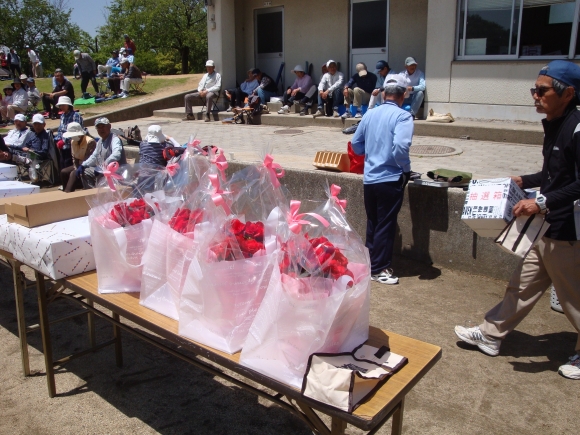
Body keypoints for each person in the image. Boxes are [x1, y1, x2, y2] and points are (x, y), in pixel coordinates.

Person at [454, 60, 580, 380]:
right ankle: (492, 334)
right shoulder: (556, 122)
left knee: (575, 300)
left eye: (542, 90)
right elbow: (555, 174)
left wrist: (541, 201)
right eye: (533, 90)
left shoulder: (577, 128)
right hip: (548, 225)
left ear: (568, 94)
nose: (535, 96)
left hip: (569, 231)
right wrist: (525, 180)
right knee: (521, 286)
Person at [350, 75, 413, 285]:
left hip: (370, 178)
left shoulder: (369, 115)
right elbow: (401, 147)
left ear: (384, 94)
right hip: (391, 176)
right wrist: (406, 168)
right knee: (386, 224)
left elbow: (356, 144)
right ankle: (379, 269)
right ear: (402, 96)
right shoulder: (403, 117)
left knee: (373, 223)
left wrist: (373, 151)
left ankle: (371, 265)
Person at [77, 117, 124, 189]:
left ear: (109, 126)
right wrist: (83, 165)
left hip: (116, 171)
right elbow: (94, 156)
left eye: (103, 126)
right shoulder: (100, 141)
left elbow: (116, 154)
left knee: (101, 176)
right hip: (103, 170)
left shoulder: (115, 139)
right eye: (98, 127)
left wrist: (105, 166)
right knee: (85, 171)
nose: (101, 129)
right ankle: (92, 193)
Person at [60, 122, 96, 192]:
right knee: (63, 172)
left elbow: (89, 159)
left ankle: (68, 192)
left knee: (73, 173)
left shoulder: (90, 142)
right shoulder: (73, 141)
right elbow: (74, 157)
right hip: (78, 164)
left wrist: (78, 168)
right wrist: (76, 167)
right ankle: (65, 190)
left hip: (88, 165)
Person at [54, 96, 83, 169]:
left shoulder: (75, 116)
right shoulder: (62, 116)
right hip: (63, 147)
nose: (62, 107)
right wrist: (58, 139)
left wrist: (64, 141)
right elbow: (60, 130)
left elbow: (76, 132)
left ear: (68, 105)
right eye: (60, 105)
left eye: (63, 105)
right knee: (62, 165)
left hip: (72, 146)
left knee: (69, 166)